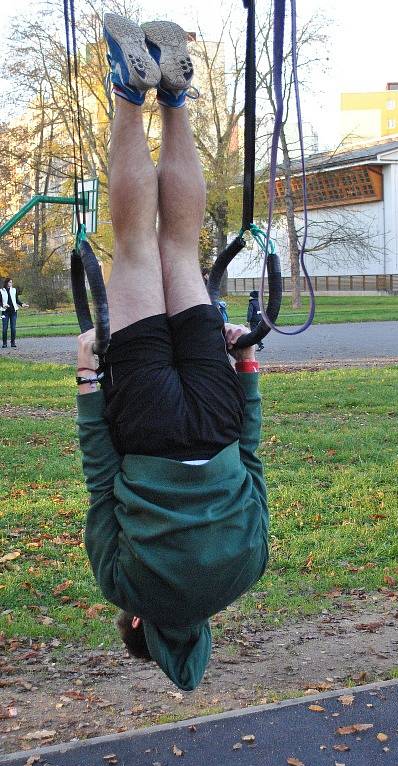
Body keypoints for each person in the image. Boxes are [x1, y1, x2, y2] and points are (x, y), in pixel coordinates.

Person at [75, 14, 268, 691]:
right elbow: (101, 478)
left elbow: (251, 460)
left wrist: (245, 371)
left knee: (181, 251)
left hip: (216, 419)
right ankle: (132, 93)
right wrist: (86, 382)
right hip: (150, 430)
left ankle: (177, 100)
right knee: (135, 247)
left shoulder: (248, 567)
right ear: (140, 627)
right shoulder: (124, 586)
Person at [1, 278, 29, 348]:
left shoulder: (14, 290)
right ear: (7, 283)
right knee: (4, 328)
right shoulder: (1, 291)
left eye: (11, 282)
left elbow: (17, 300)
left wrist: (22, 304)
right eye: (10, 282)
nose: (11, 283)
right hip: (5, 312)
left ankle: (13, 342)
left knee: (13, 328)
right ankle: (4, 343)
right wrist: (3, 305)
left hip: (14, 312)